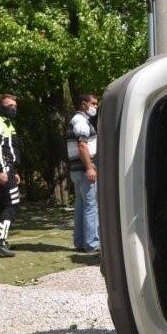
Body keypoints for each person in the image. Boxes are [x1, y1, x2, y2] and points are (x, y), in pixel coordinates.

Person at [0, 94, 21, 258]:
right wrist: (1, 170)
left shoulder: (8, 124)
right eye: (9, 105)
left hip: (8, 169)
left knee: (2, 205)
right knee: (12, 204)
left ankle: (1, 240)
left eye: (15, 105)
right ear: (1, 107)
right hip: (3, 169)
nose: (13, 108)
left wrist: (15, 171)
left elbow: (10, 149)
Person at [66, 93, 100, 253]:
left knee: (81, 205)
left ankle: (80, 242)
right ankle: (92, 243)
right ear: (84, 104)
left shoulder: (75, 120)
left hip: (76, 170)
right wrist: (90, 168)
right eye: (93, 103)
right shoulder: (81, 121)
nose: (96, 107)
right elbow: (82, 145)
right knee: (90, 206)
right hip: (84, 169)